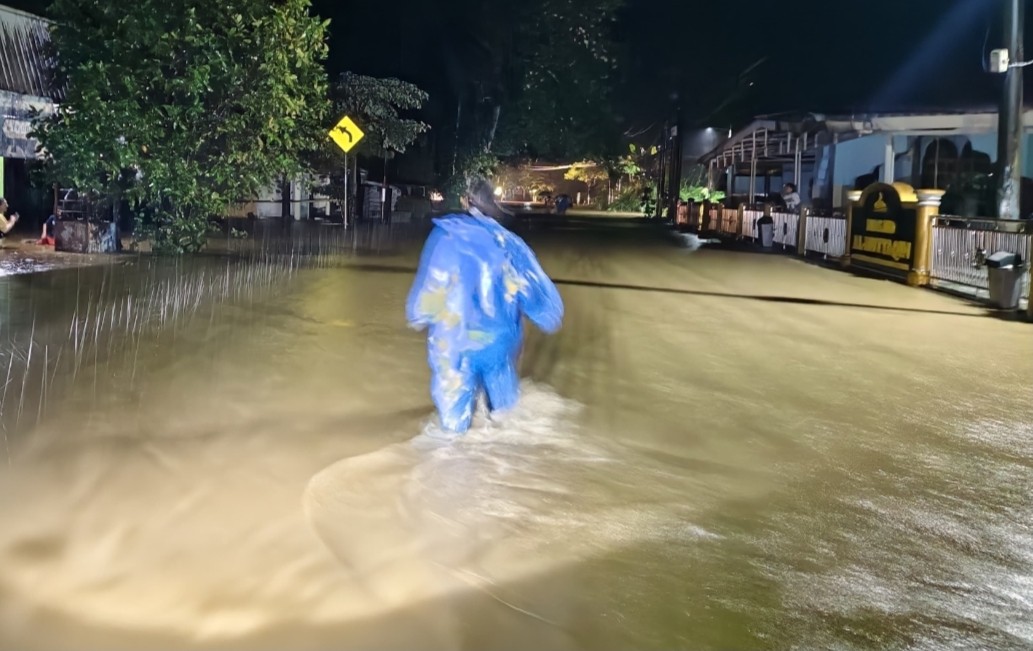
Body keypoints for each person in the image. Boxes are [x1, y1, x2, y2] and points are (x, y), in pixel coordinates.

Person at [406, 175, 564, 434]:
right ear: (495, 204)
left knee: (452, 427)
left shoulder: (445, 237)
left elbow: (432, 286)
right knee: (505, 418)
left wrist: (417, 314)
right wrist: (549, 316)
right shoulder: (511, 245)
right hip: (497, 345)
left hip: (454, 344)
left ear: (465, 202)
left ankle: (451, 448)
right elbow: (540, 298)